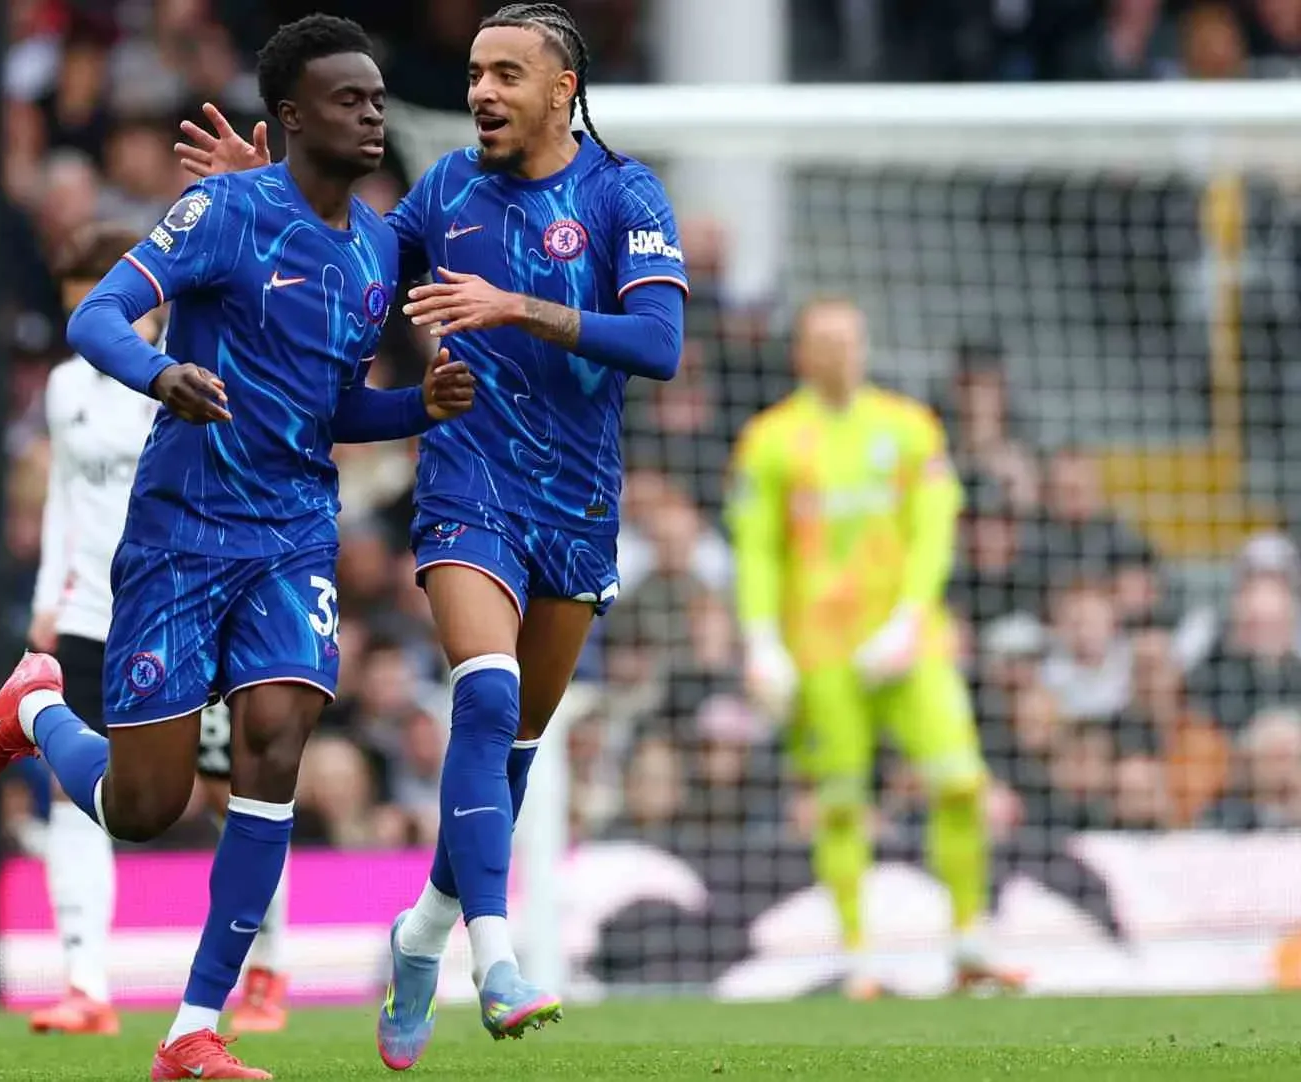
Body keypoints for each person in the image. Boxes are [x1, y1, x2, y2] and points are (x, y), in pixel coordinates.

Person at [0, 15, 475, 1080]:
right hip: (182, 531)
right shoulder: (225, 211)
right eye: (349, 99)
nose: (373, 113)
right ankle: (38, 708)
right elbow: (97, 316)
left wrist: (416, 404)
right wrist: (158, 376)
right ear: (289, 116)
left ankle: (196, 1023)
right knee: (146, 807)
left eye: (378, 99)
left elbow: (331, 408)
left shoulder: (375, 247)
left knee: (276, 741)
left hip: (291, 533)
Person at [174, 2, 688, 1065]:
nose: (482, 93)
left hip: (580, 508)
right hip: (469, 481)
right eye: (474, 73)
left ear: (564, 89)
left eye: (507, 74)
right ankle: (495, 958)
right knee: (485, 691)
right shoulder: (445, 190)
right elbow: (351, 256)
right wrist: (260, 198)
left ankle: (421, 929)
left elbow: (661, 342)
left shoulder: (621, 194)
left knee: (513, 749)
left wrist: (520, 307)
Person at [21, 222, 293, 1037]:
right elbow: (62, 500)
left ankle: (268, 971)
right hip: (88, 613)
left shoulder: (188, 376)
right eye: (78, 314)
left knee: (227, 788)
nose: (96, 333)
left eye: (103, 309)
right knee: (75, 794)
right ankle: (84, 981)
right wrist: (46, 596)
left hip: (184, 603)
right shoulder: (65, 388)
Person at [726, 296, 1023, 1000]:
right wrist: (761, 639)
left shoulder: (909, 427)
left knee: (960, 780)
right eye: (823, 340)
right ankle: (858, 958)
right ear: (801, 353)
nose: (838, 353)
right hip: (821, 650)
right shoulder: (770, 440)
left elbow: (934, 529)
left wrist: (909, 616)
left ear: (864, 345)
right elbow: (757, 550)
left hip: (909, 644)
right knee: (839, 803)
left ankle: (968, 940)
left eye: (849, 339)